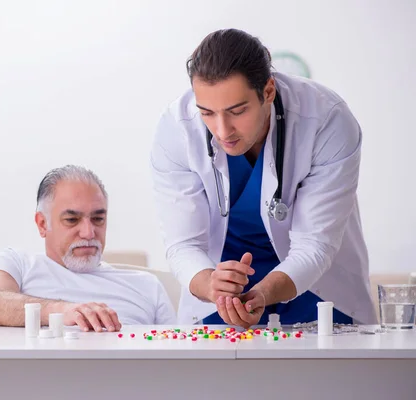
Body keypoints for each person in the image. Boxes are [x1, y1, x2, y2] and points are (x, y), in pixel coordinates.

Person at [150, 28, 376, 329]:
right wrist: (210, 285)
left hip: (316, 292)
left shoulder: (326, 119)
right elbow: (182, 244)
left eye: (237, 111)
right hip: (221, 297)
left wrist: (264, 293)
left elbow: (315, 244)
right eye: (207, 112)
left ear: (268, 91)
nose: (222, 130)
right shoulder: (176, 129)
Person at [0, 165, 176, 332]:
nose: (88, 233)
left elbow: (179, 360)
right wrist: (62, 311)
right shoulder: (16, 263)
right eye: (72, 220)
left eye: (98, 219)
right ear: (42, 224)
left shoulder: (147, 286)